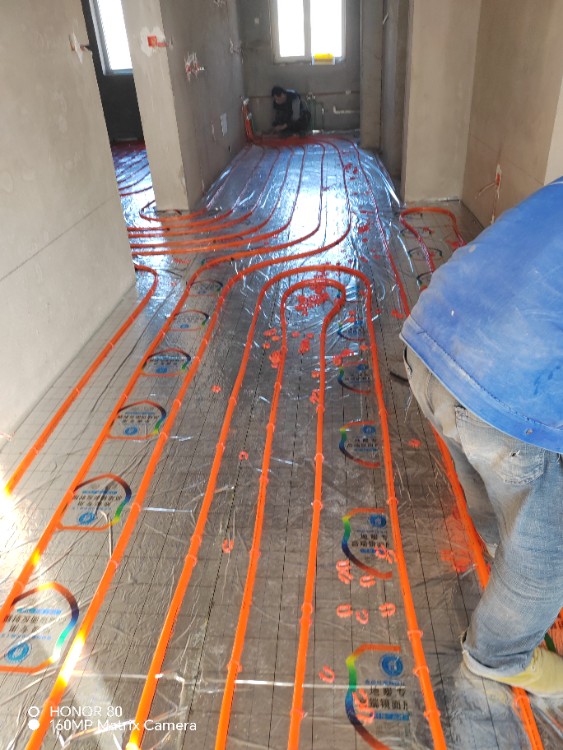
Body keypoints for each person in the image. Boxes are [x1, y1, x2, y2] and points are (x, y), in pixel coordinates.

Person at [401, 178, 563, 697]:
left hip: (430, 341)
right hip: (504, 393)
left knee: (481, 461)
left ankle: (496, 540)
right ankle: (499, 656)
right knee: (550, 552)